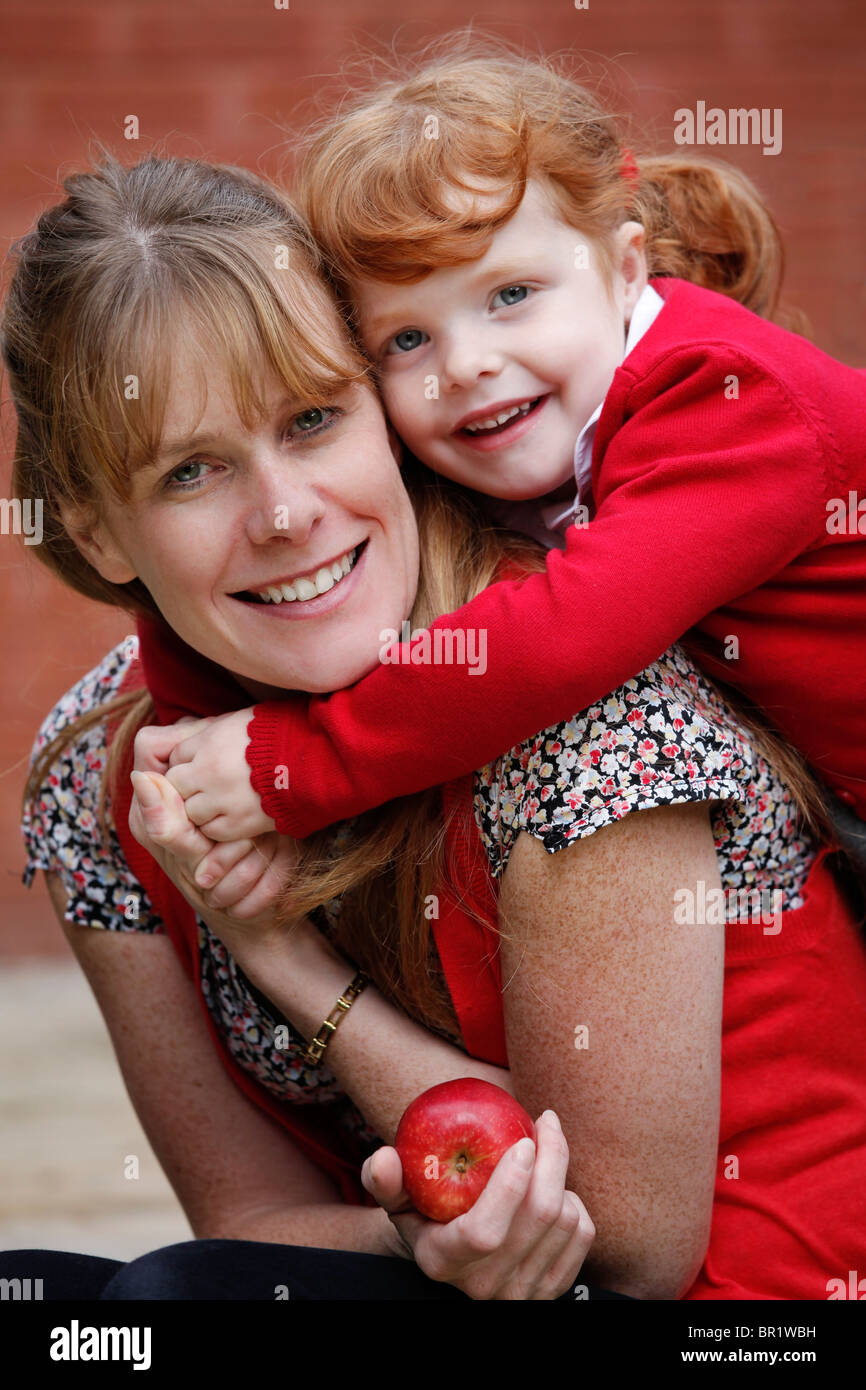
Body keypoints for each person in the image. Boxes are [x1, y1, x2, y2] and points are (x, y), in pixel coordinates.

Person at [7, 153, 866, 1302]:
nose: (283, 514)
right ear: (100, 534)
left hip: (742, 1309)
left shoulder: (571, 709)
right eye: (191, 470)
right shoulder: (103, 770)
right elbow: (246, 1219)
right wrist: (411, 1241)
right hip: (439, 1281)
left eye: (312, 419)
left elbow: (620, 1247)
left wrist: (282, 958)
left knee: (171, 1303)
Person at [155, 39, 866, 894]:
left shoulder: (727, 396)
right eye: (408, 337)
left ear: (625, 267)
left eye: (510, 296)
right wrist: (186, 749)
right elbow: (213, 591)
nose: (464, 365)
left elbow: (560, 641)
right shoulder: (508, 434)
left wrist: (298, 765)